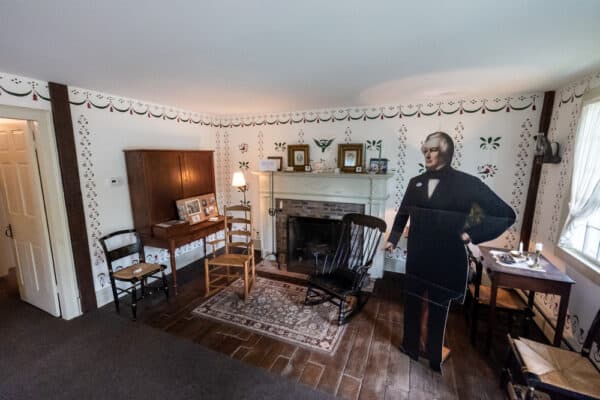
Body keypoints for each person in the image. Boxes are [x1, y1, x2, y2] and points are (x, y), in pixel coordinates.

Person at [385, 131, 516, 372]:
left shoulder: (467, 183)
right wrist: (393, 239)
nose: (427, 153)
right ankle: (410, 347)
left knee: (438, 309)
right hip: (418, 256)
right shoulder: (416, 182)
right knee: (412, 304)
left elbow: (504, 214)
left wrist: (470, 233)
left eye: (433, 149)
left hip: (446, 259)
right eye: (425, 149)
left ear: (447, 151)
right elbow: (403, 213)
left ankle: (434, 358)